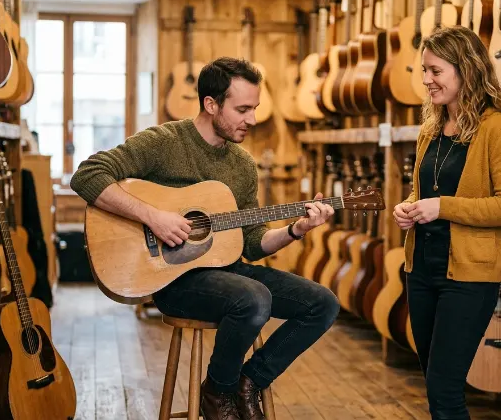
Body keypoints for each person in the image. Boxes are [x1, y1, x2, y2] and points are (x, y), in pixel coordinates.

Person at [70, 57, 340, 420]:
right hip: (173, 280)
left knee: (322, 303)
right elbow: (87, 175)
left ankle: (241, 383)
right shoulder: (164, 143)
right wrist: (154, 217)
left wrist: (296, 230)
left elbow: (252, 243)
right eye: (242, 109)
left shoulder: (243, 165)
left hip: (228, 271)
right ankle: (221, 395)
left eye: (255, 108)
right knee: (253, 298)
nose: (253, 119)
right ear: (211, 104)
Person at [392, 26, 501, 419]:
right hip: (421, 270)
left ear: (465, 69)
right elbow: (428, 192)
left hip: (469, 279)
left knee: (446, 389)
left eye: (436, 71)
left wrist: (442, 207)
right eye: (424, 70)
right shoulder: (431, 128)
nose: (426, 80)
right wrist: (411, 206)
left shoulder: (497, 129)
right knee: (433, 383)